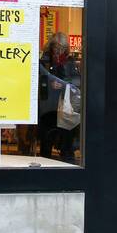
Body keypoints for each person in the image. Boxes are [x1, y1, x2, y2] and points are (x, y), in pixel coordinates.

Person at [36, 32, 79, 162]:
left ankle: (67, 158)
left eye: (62, 48)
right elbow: (37, 79)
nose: (59, 51)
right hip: (47, 104)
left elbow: (76, 81)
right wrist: (49, 83)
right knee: (46, 134)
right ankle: (45, 158)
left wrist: (63, 85)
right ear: (51, 46)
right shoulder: (44, 60)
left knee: (66, 133)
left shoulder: (70, 61)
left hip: (65, 104)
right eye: (57, 48)